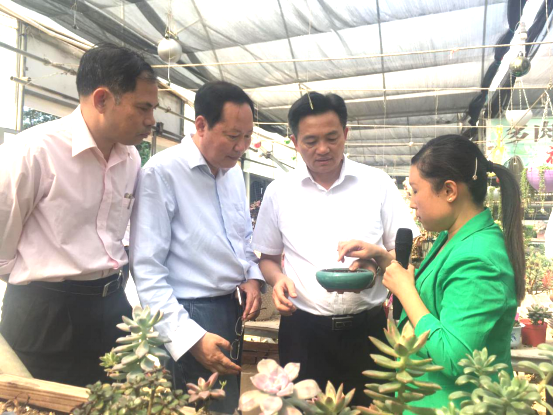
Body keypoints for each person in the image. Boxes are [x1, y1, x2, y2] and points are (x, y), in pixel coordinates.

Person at [0, 43, 158, 387]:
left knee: (113, 404)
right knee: (43, 403)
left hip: (112, 306)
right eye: (143, 107)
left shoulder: (130, 157)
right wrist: (43, 284)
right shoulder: (33, 151)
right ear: (102, 100)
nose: (151, 120)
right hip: (45, 315)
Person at [251, 92, 419, 406]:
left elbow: (404, 253)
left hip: (368, 332)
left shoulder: (377, 184)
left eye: (331, 138)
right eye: (310, 141)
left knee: (371, 410)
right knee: (303, 410)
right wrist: (278, 280)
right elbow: (268, 259)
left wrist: (375, 260)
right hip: (303, 331)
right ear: (294, 141)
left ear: (345, 133)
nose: (323, 149)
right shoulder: (279, 192)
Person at [338, 134, 524, 411]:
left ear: (449, 191)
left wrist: (405, 291)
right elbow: (435, 299)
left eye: (415, 190)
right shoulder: (453, 236)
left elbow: (455, 357)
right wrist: (383, 258)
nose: (412, 202)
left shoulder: (478, 257)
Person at [130, 81, 263, 414]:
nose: (241, 146)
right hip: (188, 312)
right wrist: (188, 337)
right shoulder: (162, 172)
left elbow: (242, 236)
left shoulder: (232, 172)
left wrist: (251, 275)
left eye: (248, 136)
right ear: (201, 125)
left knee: (225, 405)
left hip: (228, 308)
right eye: (232, 136)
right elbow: (146, 269)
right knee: (198, 407)